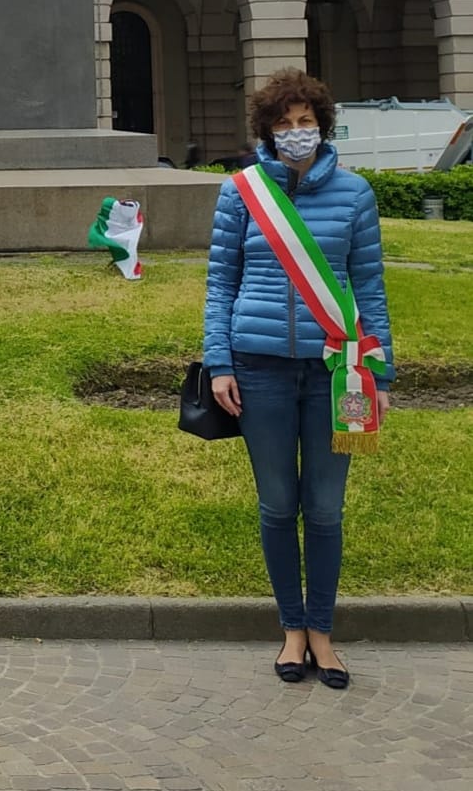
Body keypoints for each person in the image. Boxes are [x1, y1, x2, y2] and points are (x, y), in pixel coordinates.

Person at [203, 68, 394, 691]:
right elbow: (220, 286)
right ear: (266, 132)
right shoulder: (241, 193)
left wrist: (379, 371)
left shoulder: (356, 194)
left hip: (339, 372)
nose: (295, 133)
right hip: (257, 370)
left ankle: (323, 633)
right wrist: (220, 363)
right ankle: (291, 629)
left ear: (323, 125)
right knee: (278, 504)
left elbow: (369, 287)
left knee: (326, 509)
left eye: (304, 122)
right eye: (282, 125)